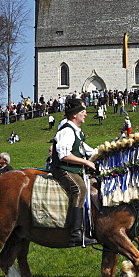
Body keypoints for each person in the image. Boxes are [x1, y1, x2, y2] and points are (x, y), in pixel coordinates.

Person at [50, 99, 98, 247]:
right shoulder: (67, 130)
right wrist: (86, 162)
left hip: (71, 168)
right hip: (63, 169)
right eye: (83, 112)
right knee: (80, 188)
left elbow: (87, 150)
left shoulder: (75, 132)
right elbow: (64, 155)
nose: (86, 115)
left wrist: (104, 153)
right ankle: (75, 233)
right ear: (74, 115)